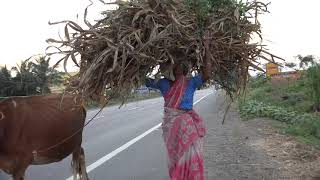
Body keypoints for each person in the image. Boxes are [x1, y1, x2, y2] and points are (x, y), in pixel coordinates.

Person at [145, 45, 212, 180]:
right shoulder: (164, 83)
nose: (180, 66)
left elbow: (207, 74)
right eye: (176, 63)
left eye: (183, 64)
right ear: (171, 67)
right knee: (176, 157)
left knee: (193, 153)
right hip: (172, 125)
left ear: (187, 66)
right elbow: (146, 81)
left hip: (187, 124)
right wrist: (142, 61)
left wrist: (207, 47)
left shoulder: (191, 82)